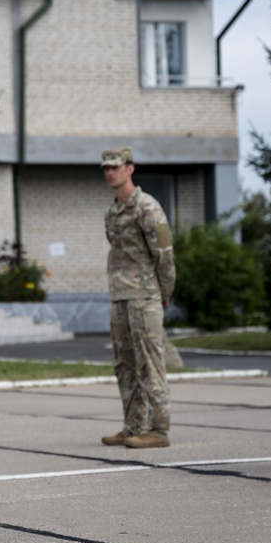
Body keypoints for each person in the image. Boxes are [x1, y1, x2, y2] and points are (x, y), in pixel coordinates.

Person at [100, 146, 175, 449]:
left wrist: (164, 293)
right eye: (105, 167)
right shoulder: (112, 212)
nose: (110, 172)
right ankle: (133, 427)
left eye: (115, 167)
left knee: (150, 363)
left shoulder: (148, 207)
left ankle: (158, 429)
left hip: (144, 297)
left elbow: (165, 256)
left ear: (130, 168)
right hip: (120, 297)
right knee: (125, 364)